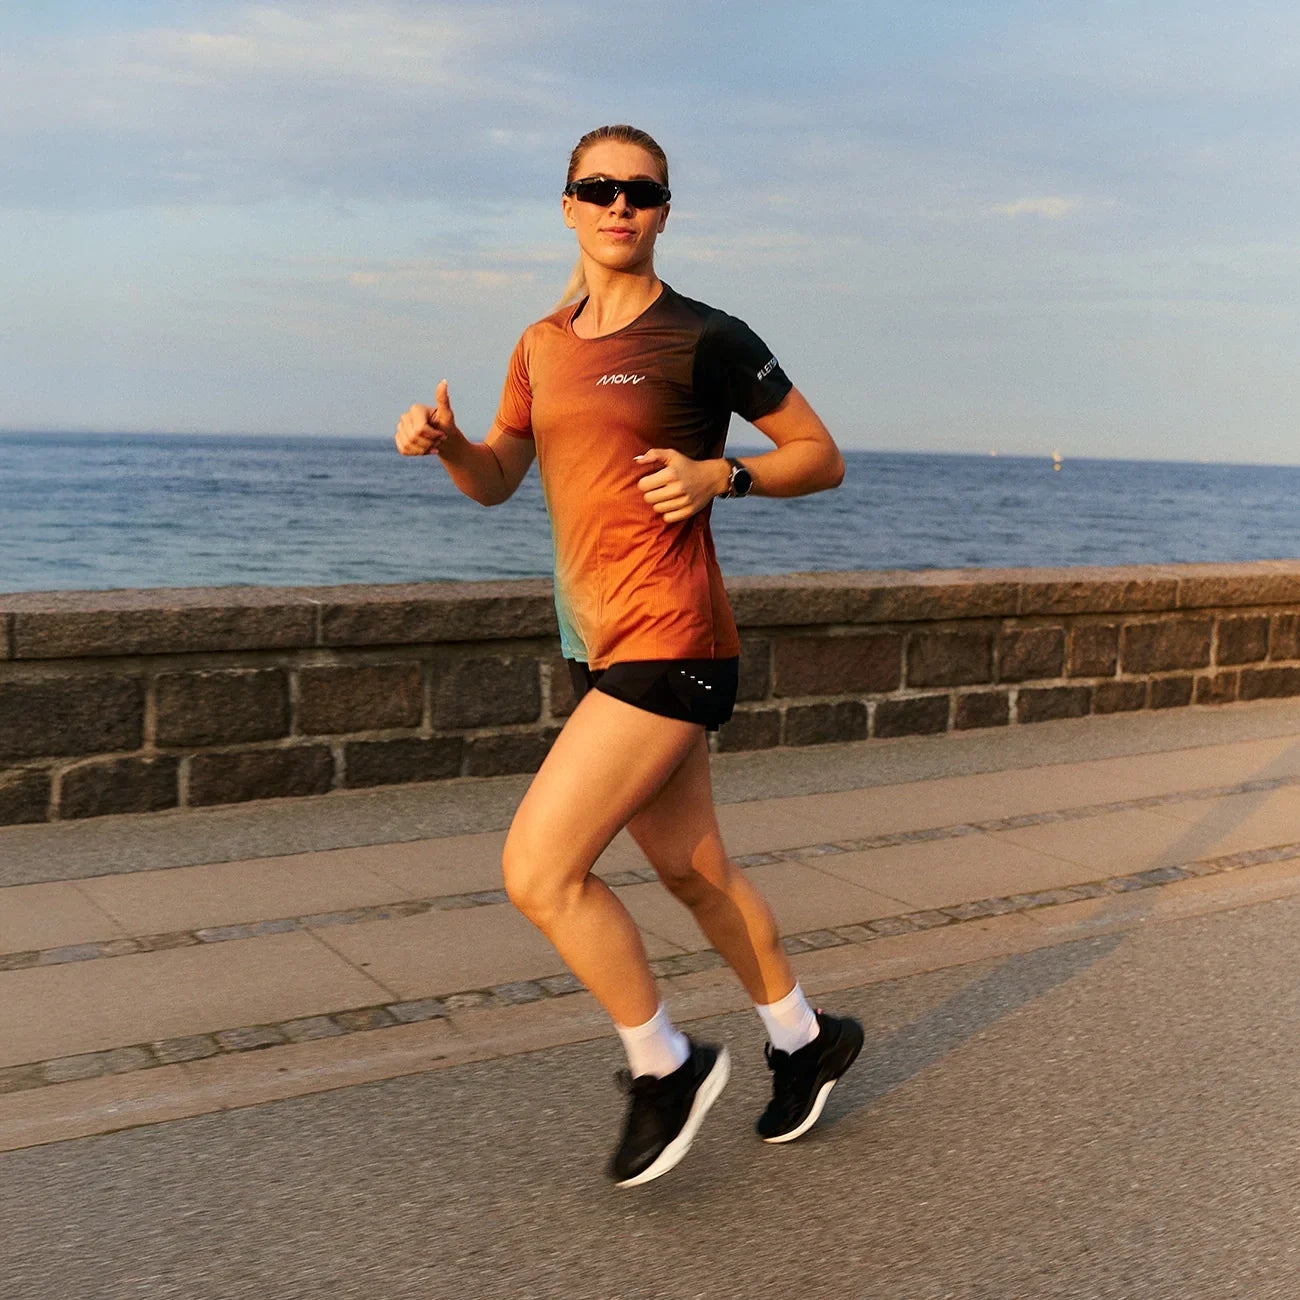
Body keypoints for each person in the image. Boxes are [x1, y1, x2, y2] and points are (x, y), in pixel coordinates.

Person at [396, 124, 863, 1188]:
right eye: (599, 188)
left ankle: (665, 1065)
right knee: (692, 870)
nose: (620, 205)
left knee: (539, 869)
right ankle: (804, 1040)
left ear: (663, 212)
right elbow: (498, 478)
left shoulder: (706, 336)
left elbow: (819, 456)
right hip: (596, 642)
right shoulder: (539, 344)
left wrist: (720, 476)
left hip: (676, 636)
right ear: (567, 204)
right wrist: (448, 444)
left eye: (641, 192)